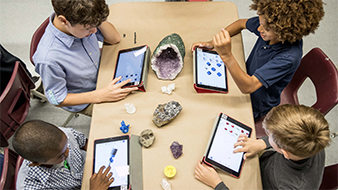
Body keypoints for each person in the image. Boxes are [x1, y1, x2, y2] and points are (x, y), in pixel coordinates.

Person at [191, 0, 325, 119]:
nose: (260, 29)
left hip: (254, 102)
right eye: (261, 23)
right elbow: (240, 23)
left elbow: (248, 87)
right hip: (244, 78)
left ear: (285, 31)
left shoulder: (288, 57)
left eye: (266, 28)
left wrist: (226, 55)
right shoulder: (271, 26)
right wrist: (212, 43)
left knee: (204, 110)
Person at [33, 0, 138, 117]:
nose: (94, 31)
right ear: (63, 21)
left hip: (101, 72)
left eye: (96, 26)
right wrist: (100, 95)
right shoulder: (48, 59)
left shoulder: (81, 22)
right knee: (130, 113)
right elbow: (57, 99)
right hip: (87, 96)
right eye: (88, 28)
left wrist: (96, 19)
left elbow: (115, 39)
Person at [195, 104, 331, 189]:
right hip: (266, 165)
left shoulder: (291, 186)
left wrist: (217, 184)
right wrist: (263, 143)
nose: (267, 136)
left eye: (269, 136)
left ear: (285, 153)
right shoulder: (315, 137)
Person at [13, 120, 114, 190]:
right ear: (36, 163)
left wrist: (101, 154)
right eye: (61, 156)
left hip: (94, 168)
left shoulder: (63, 134)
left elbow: (84, 143)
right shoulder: (29, 186)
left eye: (67, 146)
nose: (68, 152)